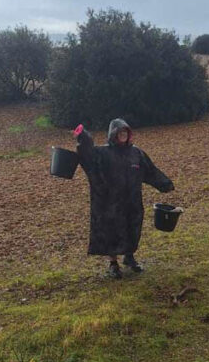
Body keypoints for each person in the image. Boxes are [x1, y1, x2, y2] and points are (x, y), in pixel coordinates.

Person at [73, 117, 174, 279]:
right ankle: (113, 264)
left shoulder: (137, 154)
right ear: (113, 134)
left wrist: (165, 184)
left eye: (125, 132)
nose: (123, 135)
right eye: (120, 132)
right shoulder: (104, 153)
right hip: (110, 203)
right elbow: (87, 155)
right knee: (111, 232)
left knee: (132, 229)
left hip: (132, 201)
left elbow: (150, 171)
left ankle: (129, 257)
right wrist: (82, 136)